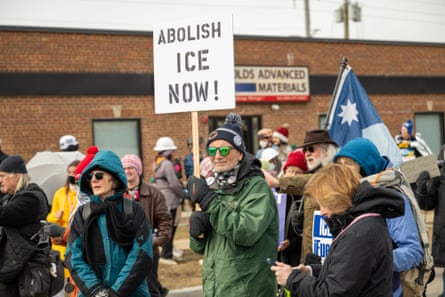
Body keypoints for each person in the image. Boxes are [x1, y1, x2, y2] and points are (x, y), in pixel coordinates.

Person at [271, 164, 405, 297]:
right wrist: (311, 271)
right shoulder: (363, 224)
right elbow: (347, 273)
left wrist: (292, 279)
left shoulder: (360, 234)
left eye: (325, 203)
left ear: (337, 197)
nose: (322, 211)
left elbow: (333, 292)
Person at [186, 116, 279, 297]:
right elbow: (202, 249)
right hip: (217, 286)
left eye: (224, 150)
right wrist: (197, 234)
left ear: (240, 153)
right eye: (212, 150)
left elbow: (246, 232)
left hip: (247, 288)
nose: (218, 156)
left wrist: (209, 202)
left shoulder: (256, 187)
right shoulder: (215, 187)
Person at [333, 137, 423, 297]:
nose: (342, 169)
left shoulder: (392, 198)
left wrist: (373, 261)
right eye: (339, 164)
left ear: (366, 166)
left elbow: (413, 251)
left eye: (349, 163)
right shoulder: (348, 194)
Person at [65, 150, 153, 297]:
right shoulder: (83, 214)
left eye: (99, 175)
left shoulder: (133, 210)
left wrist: (117, 292)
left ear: (115, 180)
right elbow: (73, 255)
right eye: (90, 176)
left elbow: (142, 254)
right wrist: (95, 290)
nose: (93, 180)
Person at [265, 129, 338, 263]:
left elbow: (314, 180)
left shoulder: (333, 175)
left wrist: (278, 182)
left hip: (328, 259)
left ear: (326, 150)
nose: (307, 153)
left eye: (311, 149)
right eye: (304, 150)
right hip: (310, 257)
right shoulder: (314, 177)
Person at [121, 154, 172, 297]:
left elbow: (165, 221)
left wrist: (154, 242)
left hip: (147, 253)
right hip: (123, 253)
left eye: (130, 167)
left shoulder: (153, 193)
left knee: (150, 289)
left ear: (138, 170)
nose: (127, 171)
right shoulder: (117, 195)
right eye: (124, 168)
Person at [0, 155, 49, 297]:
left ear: (15, 176)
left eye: (2, 176)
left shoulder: (31, 199)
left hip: (27, 273)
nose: (0, 180)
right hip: (14, 271)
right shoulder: (11, 197)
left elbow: (3, 215)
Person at [46, 159, 80, 296]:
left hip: (75, 242)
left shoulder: (83, 194)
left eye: (75, 172)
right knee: (60, 285)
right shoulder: (60, 193)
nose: (72, 175)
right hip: (59, 244)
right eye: (69, 172)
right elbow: (49, 219)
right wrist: (56, 216)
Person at [153, 136, 186, 264]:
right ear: (168, 152)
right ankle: (166, 255)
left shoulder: (156, 162)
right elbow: (174, 183)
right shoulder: (166, 164)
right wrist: (183, 194)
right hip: (170, 199)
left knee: (166, 226)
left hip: (162, 198)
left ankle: (168, 252)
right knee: (170, 227)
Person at [277, 149, 308, 267]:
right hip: (277, 256)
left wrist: (291, 242)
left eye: (298, 172)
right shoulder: (278, 196)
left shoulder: (306, 199)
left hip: (295, 258)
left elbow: (306, 233)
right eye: (290, 171)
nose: (293, 176)